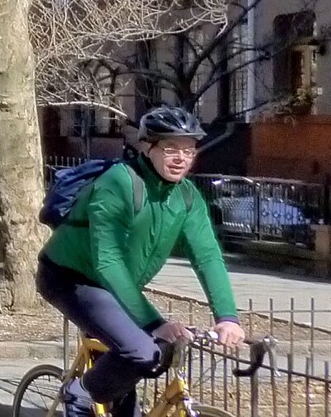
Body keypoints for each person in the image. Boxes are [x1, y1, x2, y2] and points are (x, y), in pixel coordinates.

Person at [38, 106, 246, 417]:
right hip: (71, 278)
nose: (180, 158)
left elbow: (208, 256)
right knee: (140, 350)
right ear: (147, 147)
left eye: (188, 150)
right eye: (170, 148)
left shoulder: (186, 197)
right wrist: (155, 323)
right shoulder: (119, 183)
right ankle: (79, 391)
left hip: (117, 287)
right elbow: (107, 260)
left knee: (155, 355)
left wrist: (227, 316)